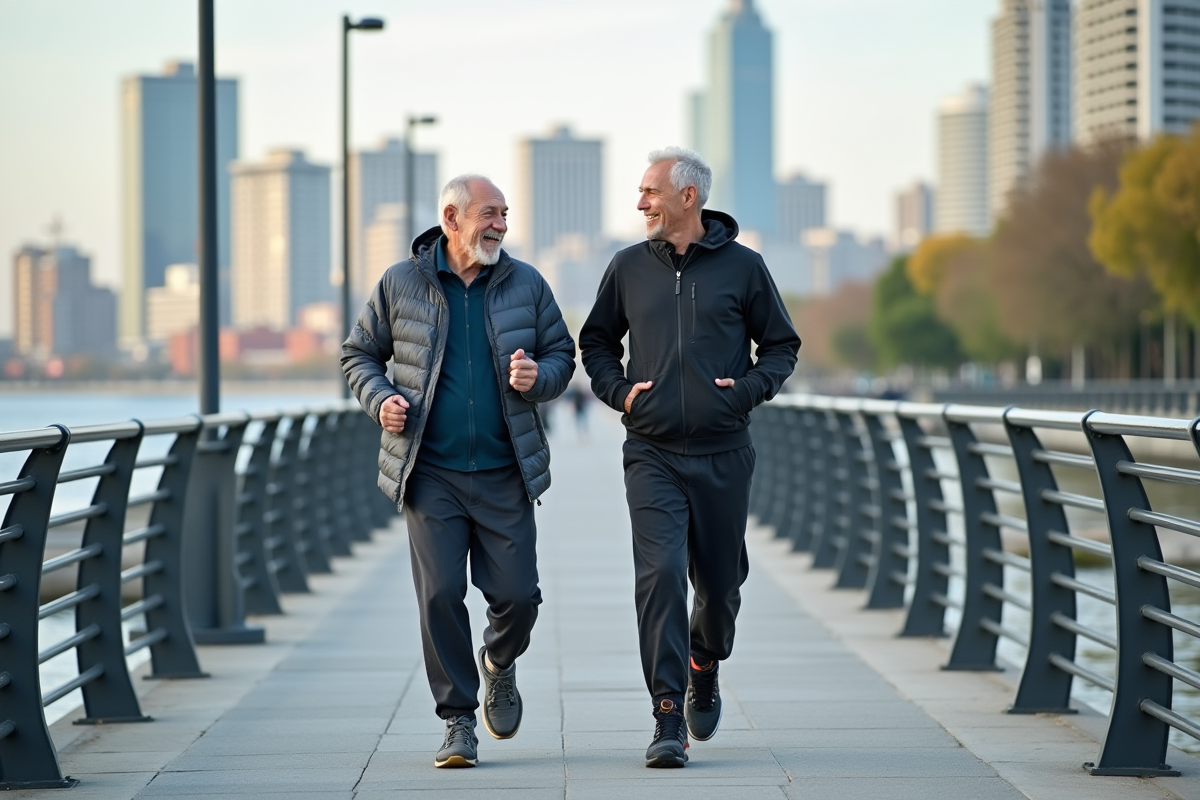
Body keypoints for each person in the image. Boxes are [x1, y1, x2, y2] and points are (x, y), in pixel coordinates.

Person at [342, 174, 576, 769]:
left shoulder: (527, 283)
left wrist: (539, 378)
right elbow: (358, 354)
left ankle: (498, 663)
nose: (500, 224)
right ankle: (457, 721)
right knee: (441, 594)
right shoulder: (401, 282)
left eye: (504, 213)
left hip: (505, 469)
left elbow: (562, 355)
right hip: (431, 472)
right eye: (489, 213)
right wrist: (381, 400)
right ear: (452, 219)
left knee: (518, 598)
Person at [579, 147, 800, 768]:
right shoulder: (626, 268)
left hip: (725, 451)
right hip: (650, 452)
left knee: (721, 588)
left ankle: (706, 661)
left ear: (687, 197)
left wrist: (749, 391)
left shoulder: (745, 268)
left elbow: (781, 345)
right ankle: (667, 715)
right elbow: (594, 342)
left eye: (649, 191)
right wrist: (620, 392)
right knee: (660, 577)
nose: (640, 202)